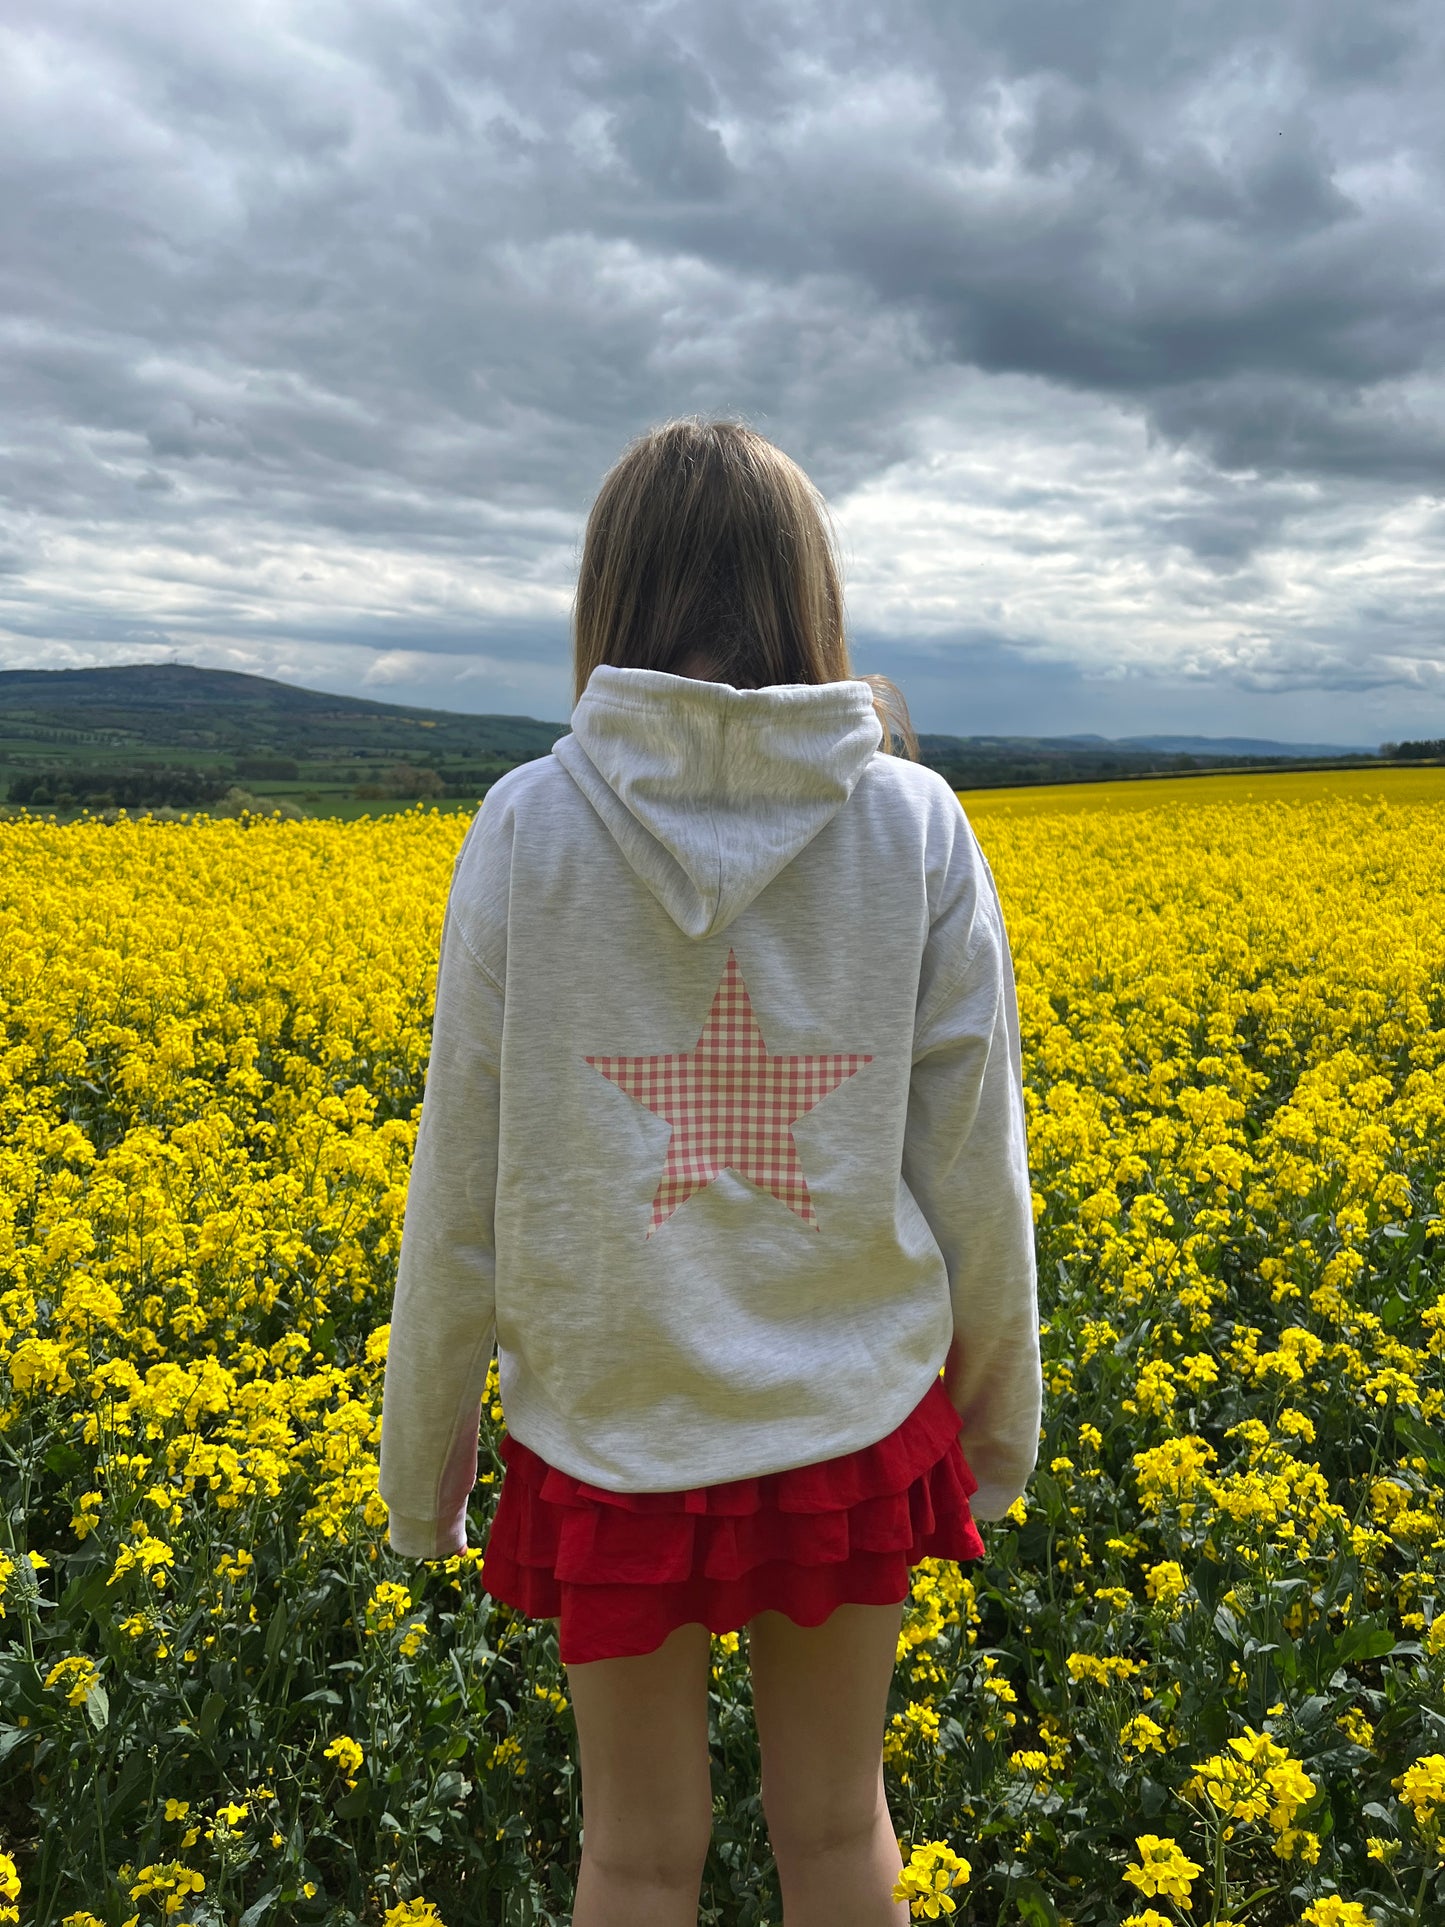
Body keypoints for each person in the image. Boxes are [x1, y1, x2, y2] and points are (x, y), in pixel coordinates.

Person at [377, 417, 1043, 1926]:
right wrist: (993, 1432)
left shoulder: (526, 824)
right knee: (835, 1831)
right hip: (855, 1420)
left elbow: (459, 1176)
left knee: (630, 1855)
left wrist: (425, 1473)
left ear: (607, 599)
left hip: (609, 1424)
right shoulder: (916, 824)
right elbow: (972, 1172)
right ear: (812, 593)